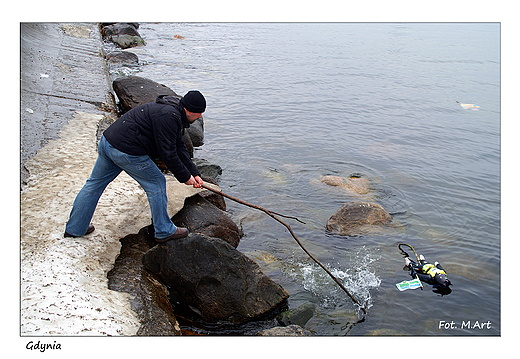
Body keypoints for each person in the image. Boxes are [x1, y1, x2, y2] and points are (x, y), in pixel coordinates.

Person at [64, 90, 206, 242]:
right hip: (126, 151)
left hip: (108, 143)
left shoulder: (173, 111)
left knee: (94, 185)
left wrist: (194, 173)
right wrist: (185, 177)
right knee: (156, 183)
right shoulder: (169, 117)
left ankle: (75, 228)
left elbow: (179, 146)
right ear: (189, 110)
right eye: (199, 113)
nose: (200, 117)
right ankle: (164, 230)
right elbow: (168, 153)